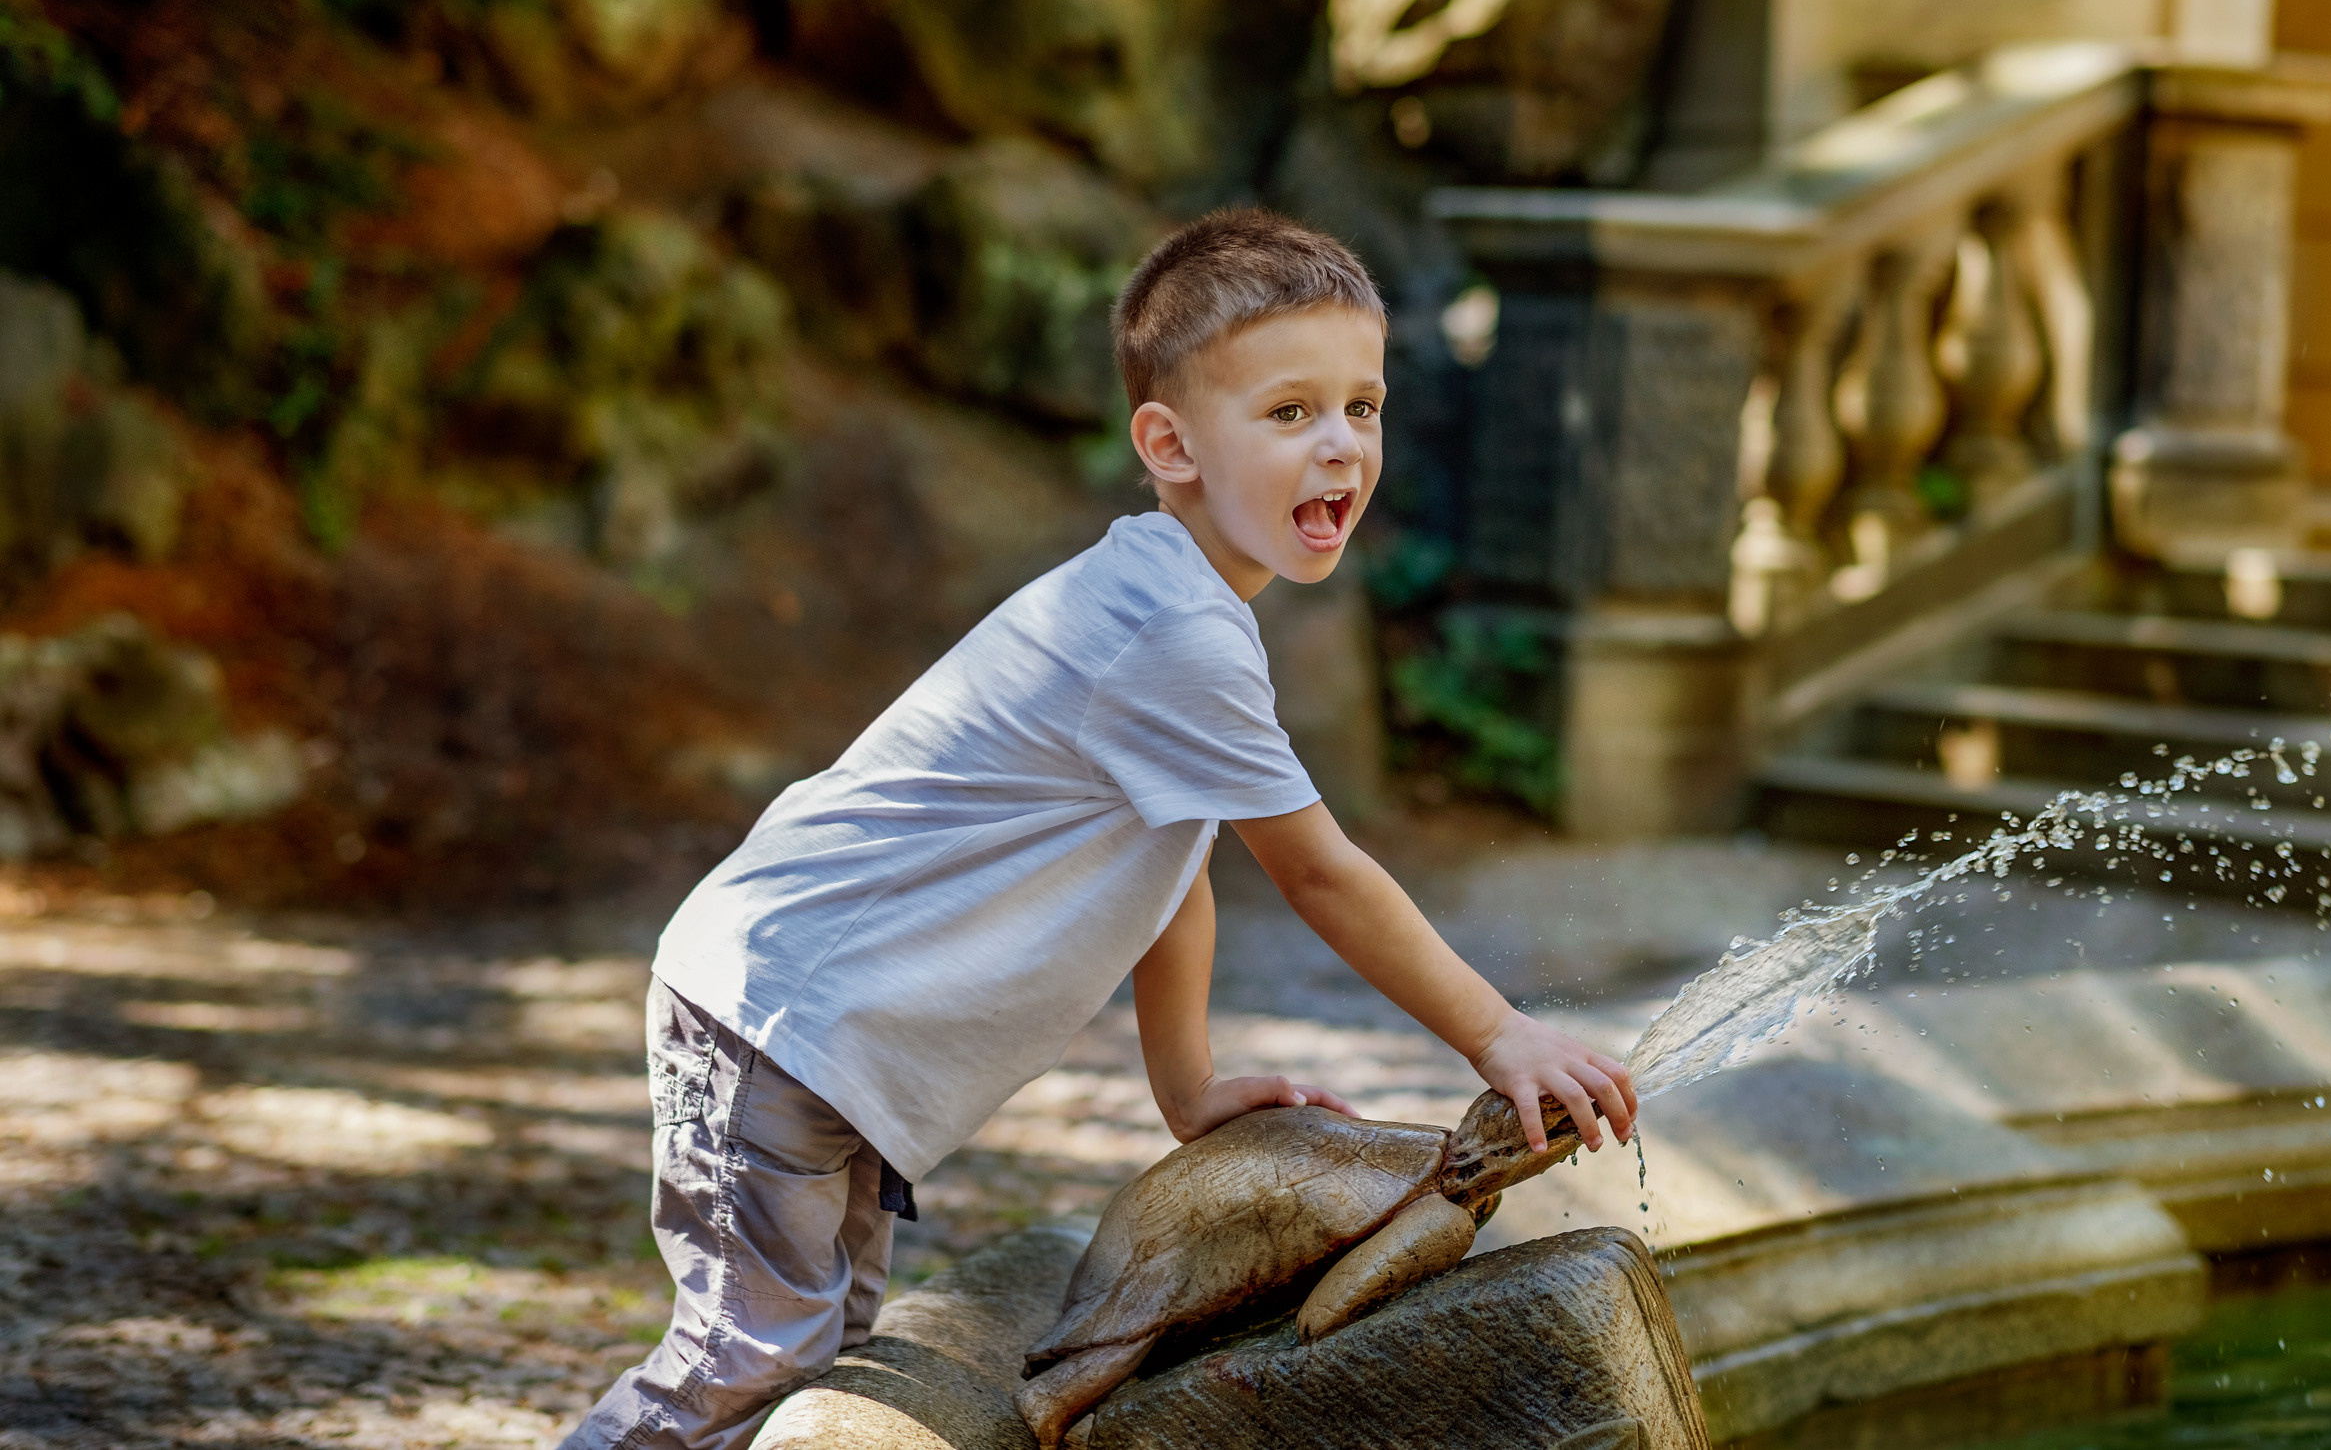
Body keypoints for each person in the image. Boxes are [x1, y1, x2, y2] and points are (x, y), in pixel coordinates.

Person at [559, 209, 1638, 1450]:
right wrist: (1498, 1033)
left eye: (1364, 407)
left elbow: (1164, 861)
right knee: (744, 1366)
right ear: (1169, 443)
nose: (1341, 447)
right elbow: (1322, 875)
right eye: (1290, 414)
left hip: (816, 1025)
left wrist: (1186, 1086)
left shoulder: (1171, 599)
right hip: (780, 1011)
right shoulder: (1170, 631)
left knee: (821, 1360)